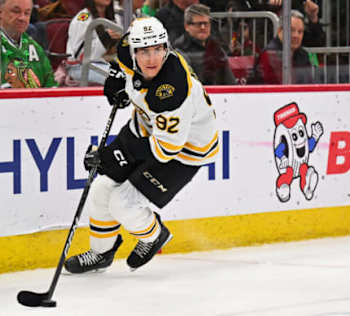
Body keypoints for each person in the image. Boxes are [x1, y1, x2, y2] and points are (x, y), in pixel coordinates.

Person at [64, 17, 219, 273]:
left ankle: (153, 235)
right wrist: (117, 80)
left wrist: (112, 156)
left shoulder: (172, 92)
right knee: (102, 186)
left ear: (166, 48)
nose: (151, 59)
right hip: (145, 126)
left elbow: (164, 149)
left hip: (185, 150)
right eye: (144, 51)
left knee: (123, 204)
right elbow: (122, 62)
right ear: (134, 49)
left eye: (158, 50)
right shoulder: (127, 47)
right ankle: (101, 253)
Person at [0, 0, 57, 88]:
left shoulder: (34, 47)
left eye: (27, 13)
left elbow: (51, 84)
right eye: (16, 11)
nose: (22, 18)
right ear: (0, 12)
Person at [173, 3, 235, 85]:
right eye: (199, 24)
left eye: (206, 23)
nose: (203, 27)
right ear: (187, 26)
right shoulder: (179, 49)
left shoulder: (217, 47)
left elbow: (230, 81)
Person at [250, 10, 315, 85]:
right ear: (279, 30)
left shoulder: (304, 55)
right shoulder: (269, 54)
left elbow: (309, 84)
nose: (296, 36)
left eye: (300, 32)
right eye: (291, 30)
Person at [65, 0, 122, 85]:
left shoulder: (115, 18)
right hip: (80, 67)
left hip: (104, 64)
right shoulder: (83, 18)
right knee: (120, 81)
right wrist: (105, 38)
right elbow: (78, 56)